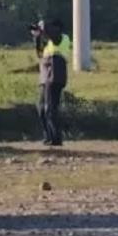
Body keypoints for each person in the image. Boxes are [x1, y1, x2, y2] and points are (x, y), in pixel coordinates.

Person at [32, 19, 71, 147]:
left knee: (51, 108)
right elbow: (39, 53)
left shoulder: (62, 38)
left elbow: (55, 38)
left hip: (55, 74)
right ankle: (48, 136)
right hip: (45, 75)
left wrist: (44, 30)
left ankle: (56, 138)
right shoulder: (48, 43)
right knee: (41, 108)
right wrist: (38, 37)